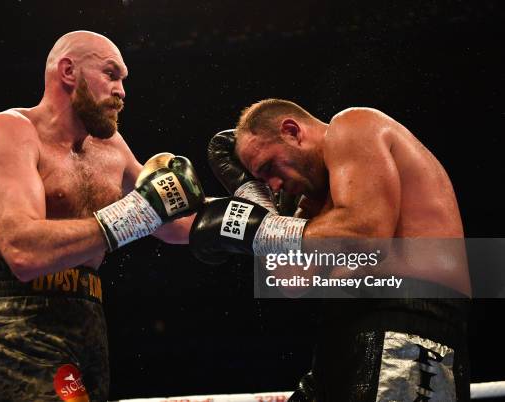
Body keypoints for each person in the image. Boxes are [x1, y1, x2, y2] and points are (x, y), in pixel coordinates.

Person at [0, 31, 203, 402]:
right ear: (68, 71)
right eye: (111, 74)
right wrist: (138, 211)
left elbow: (171, 221)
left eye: (123, 80)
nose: (122, 91)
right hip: (7, 310)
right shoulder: (9, 131)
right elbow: (24, 252)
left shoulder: (111, 148)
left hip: (85, 312)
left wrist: (261, 217)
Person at [190, 99, 471, 401]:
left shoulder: (353, 126)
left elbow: (366, 234)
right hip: (342, 336)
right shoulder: (313, 203)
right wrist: (256, 200)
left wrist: (263, 229)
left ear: (292, 131)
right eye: (262, 180)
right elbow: (291, 280)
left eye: (270, 167)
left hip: (409, 322)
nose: (274, 183)